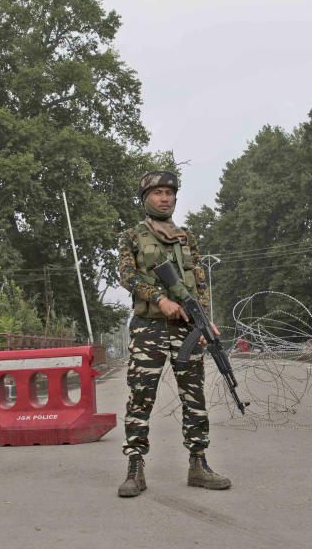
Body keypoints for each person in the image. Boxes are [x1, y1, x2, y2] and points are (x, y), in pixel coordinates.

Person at [115, 170, 232, 497]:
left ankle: (199, 464)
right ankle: (135, 468)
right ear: (145, 199)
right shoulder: (131, 236)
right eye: (157, 192)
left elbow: (199, 281)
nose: (164, 197)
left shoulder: (186, 237)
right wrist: (159, 299)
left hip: (187, 327)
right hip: (148, 327)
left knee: (194, 395)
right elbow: (127, 275)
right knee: (141, 394)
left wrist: (205, 321)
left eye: (169, 192)